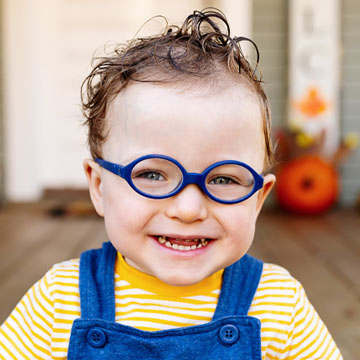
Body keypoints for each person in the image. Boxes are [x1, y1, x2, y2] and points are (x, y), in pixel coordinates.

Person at [0, 9, 342, 360]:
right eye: (151, 174)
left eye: (224, 179)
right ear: (100, 186)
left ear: (257, 199)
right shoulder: (60, 299)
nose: (188, 209)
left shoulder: (278, 305)